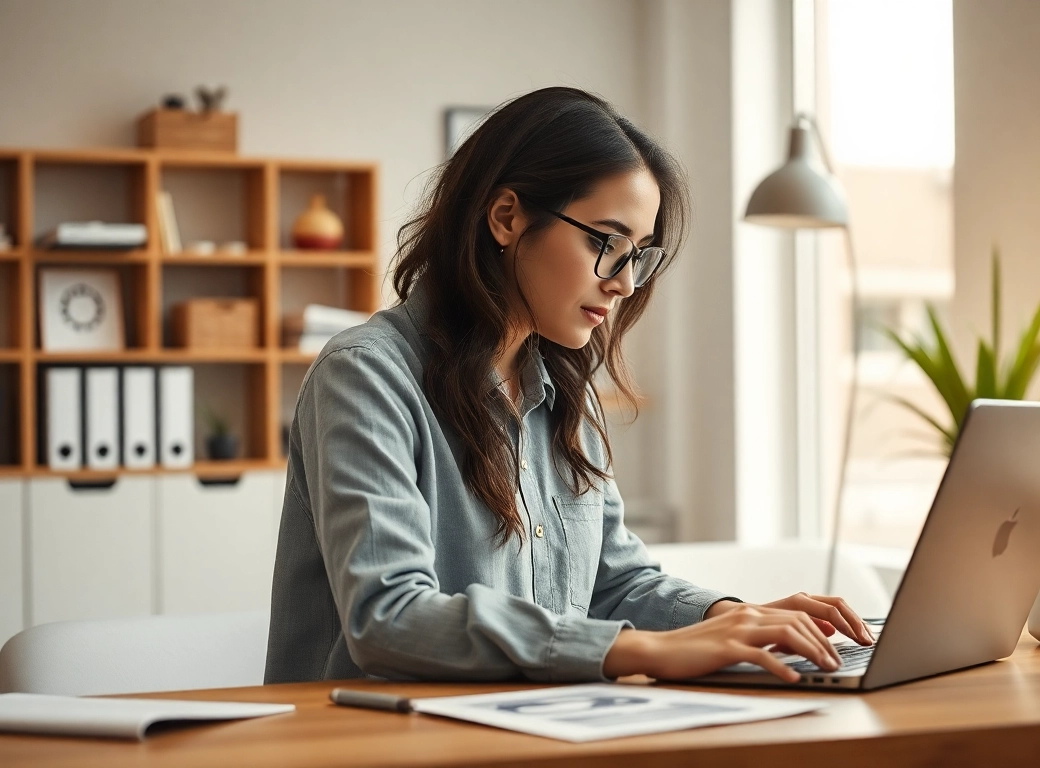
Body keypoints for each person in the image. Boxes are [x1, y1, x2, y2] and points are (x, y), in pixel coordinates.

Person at [264, 86, 874, 685]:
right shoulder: (366, 374)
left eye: (639, 254)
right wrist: (646, 653)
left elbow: (613, 582)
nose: (626, 283)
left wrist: (733, 619)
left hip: (529, 733)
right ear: (506, 217)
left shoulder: (559, 391)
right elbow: (390, 619)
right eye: (607, 243)